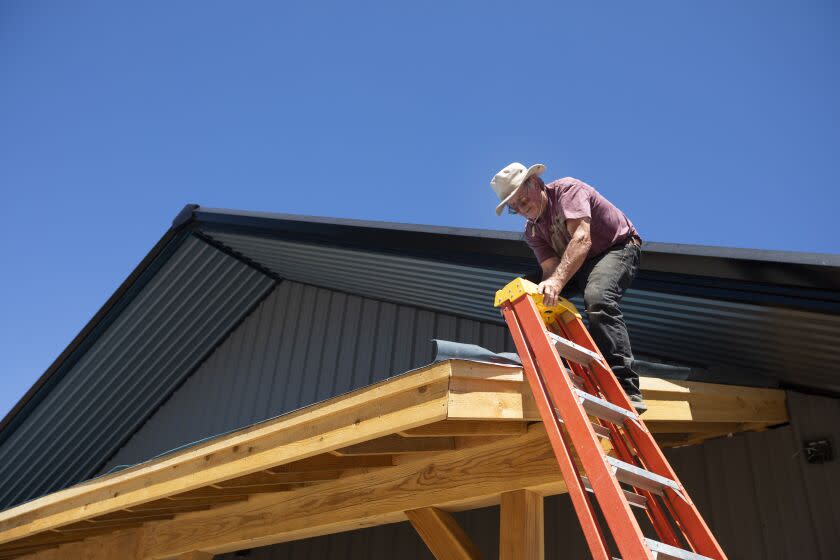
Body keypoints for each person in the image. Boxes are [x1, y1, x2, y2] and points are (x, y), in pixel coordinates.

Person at [490, 162, 647, 412]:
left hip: (616, 248)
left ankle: (627, 388)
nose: (522, 207)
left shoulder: (567, 192)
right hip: (578, 262)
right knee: (523, 292)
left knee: (597, 297)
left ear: (537, 183)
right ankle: (559, 369)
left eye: (523, 198)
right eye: (515, 207)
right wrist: (531, 297)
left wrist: (555, 283)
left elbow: (582, 239)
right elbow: (550, 270)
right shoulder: (532, 232)